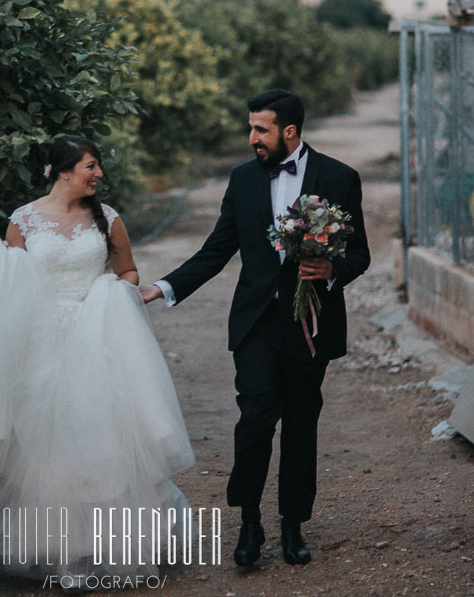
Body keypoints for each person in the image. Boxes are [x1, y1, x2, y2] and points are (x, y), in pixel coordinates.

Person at [0, 135, 194, 588]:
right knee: (35, 446)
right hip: (38, 338)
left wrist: (114, 293)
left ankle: (105, 544)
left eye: (97, 166)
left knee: (97, 439)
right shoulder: (23, 220)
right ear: (64, 170)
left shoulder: (109, 220)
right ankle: (48, 546)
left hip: (95, 335)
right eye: (91, 166)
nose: (98, 174)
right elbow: (10, 283)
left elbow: (128, 271)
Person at [140, 88, 370, 568]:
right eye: (250, 128)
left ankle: (293, 525)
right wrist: (162, 288)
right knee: (255, 420)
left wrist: (331, 272)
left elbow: (360, 254)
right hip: (257, 322)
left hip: (311, 322)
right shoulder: (243, 179)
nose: (252, 139)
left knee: (302, 423)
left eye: (260, 129)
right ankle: (249, 521)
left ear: (289, 131)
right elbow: (216, 248)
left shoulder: (340, 177)